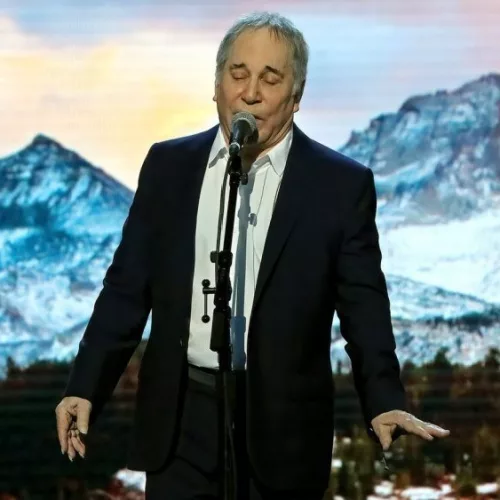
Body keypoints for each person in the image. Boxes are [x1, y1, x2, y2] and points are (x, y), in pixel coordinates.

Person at [55, 11, 450, 500]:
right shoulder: (169, 166)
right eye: (237, 74)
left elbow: (363, 305)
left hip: (282, 429)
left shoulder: (339, 185)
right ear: (217, 84)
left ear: (296, 96)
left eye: (270, 77)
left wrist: (384, 400)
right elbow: (125, 290)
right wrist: (84, 385)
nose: (250, 92)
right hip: (180, 421)